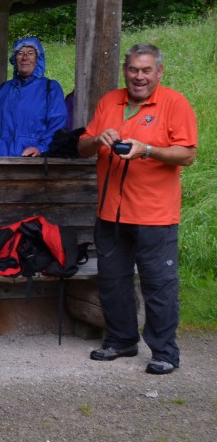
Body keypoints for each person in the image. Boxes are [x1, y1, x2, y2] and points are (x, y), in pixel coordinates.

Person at [77, 43, 197, 375]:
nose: (138, 76)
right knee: (113, 280)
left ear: (159, 72)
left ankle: (164, 351)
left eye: (146, 70)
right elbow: (82, 146)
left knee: (158, 284)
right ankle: (121, 339)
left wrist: (148, 150)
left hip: (154, 215)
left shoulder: (174, 103)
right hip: (110, 213)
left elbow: (187, 154)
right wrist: (97, 137)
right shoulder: (109, 101)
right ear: (125, 71)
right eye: (133, 70)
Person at [0, 37, 67, 157]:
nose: (25, 58)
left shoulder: (50, 88)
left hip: (32, 161)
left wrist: (41, 148)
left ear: (38, 58)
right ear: (15, 59)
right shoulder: (2, 89)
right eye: (20, 53)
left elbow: (58, 124)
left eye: (30, 53)